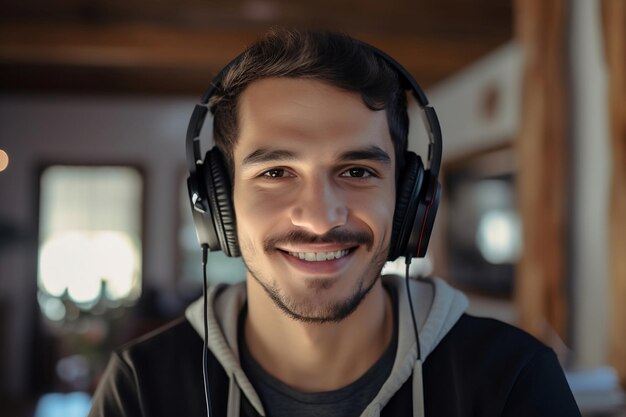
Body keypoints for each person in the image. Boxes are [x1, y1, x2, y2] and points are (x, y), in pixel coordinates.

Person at [88, 28, 581, 417]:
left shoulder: (514, 378)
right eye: (276, 172)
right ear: (218, 203)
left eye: (357, 171)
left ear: (409, 197)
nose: (321, 218)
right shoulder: (141, 386)